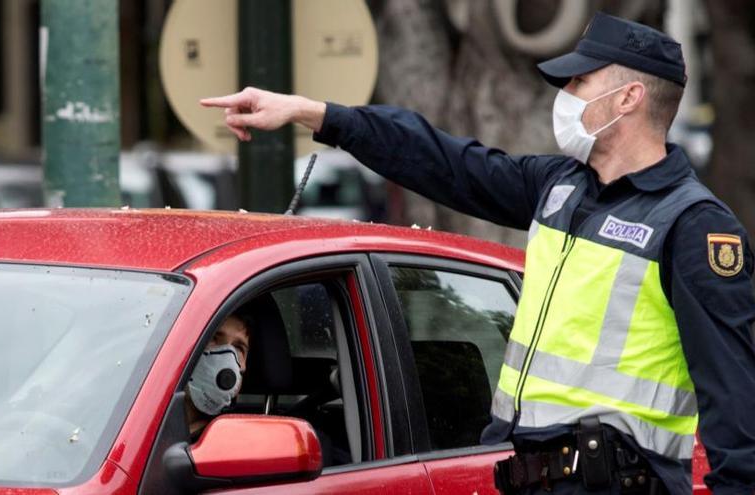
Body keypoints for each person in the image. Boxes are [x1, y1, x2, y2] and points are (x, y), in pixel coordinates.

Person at [200, 12, 755, 495]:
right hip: (525, 475)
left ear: (629, 98)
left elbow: (736, 400)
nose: (564, 97)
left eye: (580, 82)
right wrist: (317, 114)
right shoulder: (561, 187)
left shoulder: (691, 225)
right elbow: (443, 161)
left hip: (618, 482)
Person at [185, 314, 250, 440]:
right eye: (212, 339)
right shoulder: (139, 418)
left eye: (238, 347)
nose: (227, 360)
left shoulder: (234, 444)